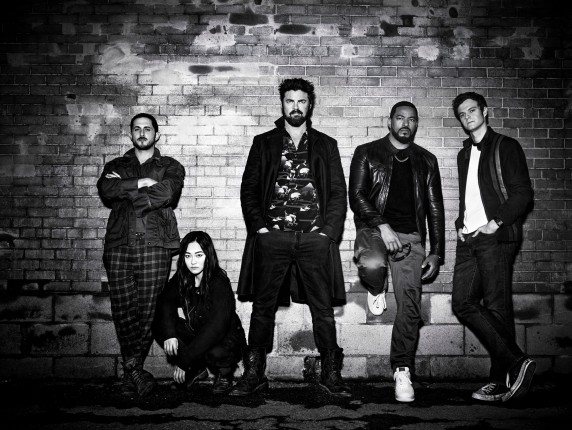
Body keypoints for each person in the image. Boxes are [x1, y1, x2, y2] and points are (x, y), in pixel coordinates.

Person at [231, 78, 350, 398]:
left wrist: (328, 233)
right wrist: (260, 229)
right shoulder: (264, 142)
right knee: (262, 308)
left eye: (301, 101)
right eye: (290, 101)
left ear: (310, 105)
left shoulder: (326, 144)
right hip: (273, 238)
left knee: (323, 309)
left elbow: (338, 192)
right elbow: (249, 189)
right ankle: (253, 374)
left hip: (314, 239)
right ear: (282, 103)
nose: (295, 107)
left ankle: (331, 374)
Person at [348, 101, 445, 403]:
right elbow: (357, 196)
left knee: (410, 305)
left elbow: (435, 207)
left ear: (416, 124)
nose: (405, 123)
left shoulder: (426, 160)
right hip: (374, 229)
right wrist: (383, 225)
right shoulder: (367, 152)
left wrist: (437, 251)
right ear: (389, 121)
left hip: (411, 238)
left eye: (411, 119)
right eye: (400, 118)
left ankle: (402, 369)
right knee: (373, 265)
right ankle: (376, 288)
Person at [451, 92, 535, 402]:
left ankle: (500, 382)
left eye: (472, 110)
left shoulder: (505, 146)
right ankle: (518, 362)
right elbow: (470, 196)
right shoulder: (464, 154)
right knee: (462, 302)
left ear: (485, 111)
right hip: (469, 238)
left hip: (494, 236)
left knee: (497, 307)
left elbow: (523, 194)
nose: (468, 116)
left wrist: (495, 223)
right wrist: (460, 223)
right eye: (462, 114)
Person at [97, 113, 185, 396]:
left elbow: (167, 192)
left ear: (156, 135)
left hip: (155, 244)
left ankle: (129, 373)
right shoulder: (116, 165)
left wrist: (126, 188)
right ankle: (135, 372)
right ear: (131, 134)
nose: (142, 133)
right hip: (119, 244)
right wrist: (141, 182)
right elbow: (105, 188)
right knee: (123, 309)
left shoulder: (170, 165)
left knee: (148, 310)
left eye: (148, 129)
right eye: (137, 129)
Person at [152, 231, 246, 394]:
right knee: (160, 326)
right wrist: (169, 334)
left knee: (216, 351)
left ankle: (224, 374)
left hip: (223, 337)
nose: (193, 261)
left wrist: (184, 360)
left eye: (198, 255)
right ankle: (196, 368)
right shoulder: (182, 277)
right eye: (188, 256)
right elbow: (165, 302)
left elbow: (216, 328)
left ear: (208, 256)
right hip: (197, 330)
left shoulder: (219, 282)